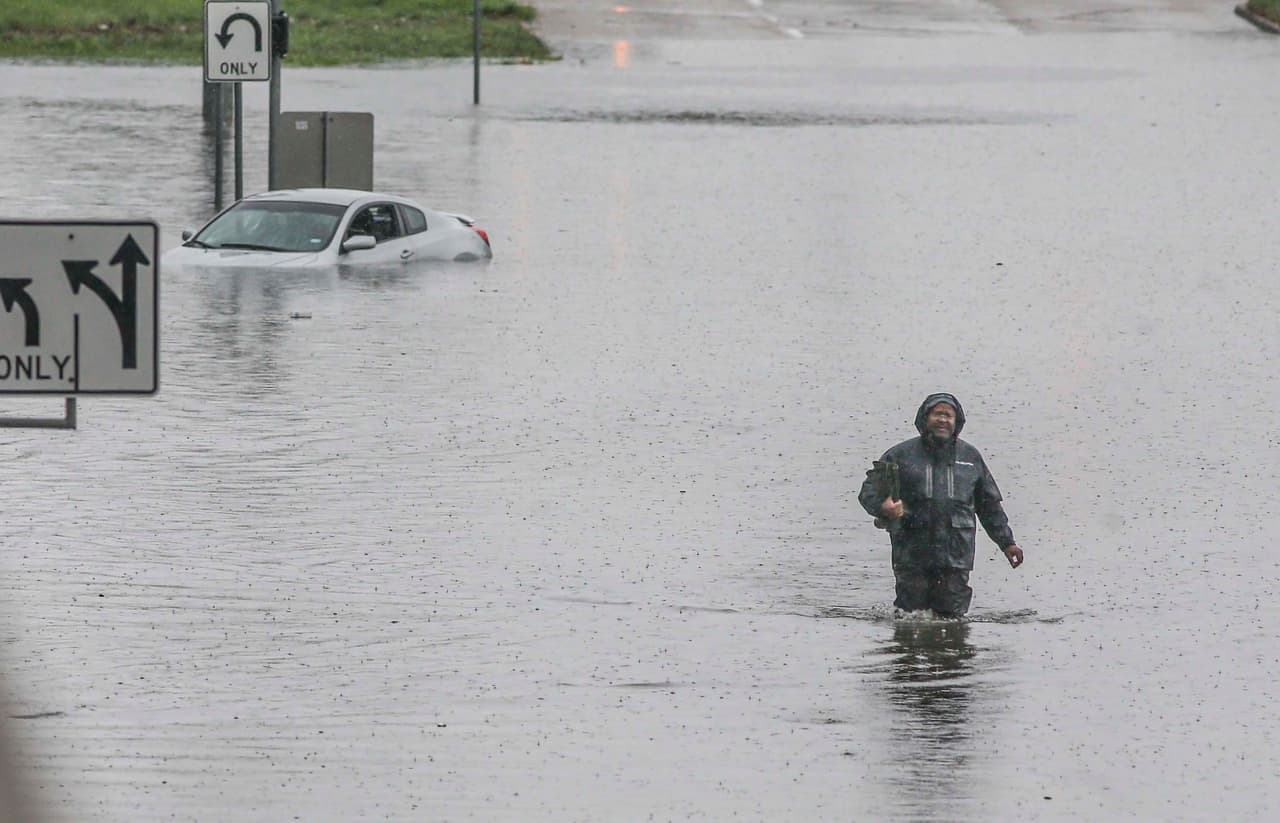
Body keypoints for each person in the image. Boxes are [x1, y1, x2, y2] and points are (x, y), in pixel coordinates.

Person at [858, 392, 1024, 618]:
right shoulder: (900, 455)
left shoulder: (970, 458)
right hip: (911, 555)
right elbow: (869, 491)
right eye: (937, 414)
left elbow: (989, 507)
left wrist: (1007, 543)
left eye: (948, 415)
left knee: (952, 619)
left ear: (957, 423)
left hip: (956, 557)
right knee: (909, 618)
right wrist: (883, 506)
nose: (943, 420)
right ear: (925, 418)